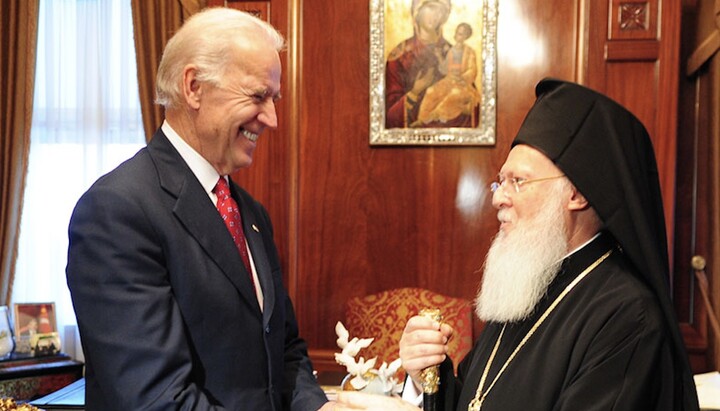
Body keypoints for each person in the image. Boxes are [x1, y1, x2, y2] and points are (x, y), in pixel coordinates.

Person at [333, 79, 700, 410]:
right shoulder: (529, 283)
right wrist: (427, 372)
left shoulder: (628, 318)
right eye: (500, 181)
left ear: (577, 194)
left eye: (518, 182)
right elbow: (474, 399)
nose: (498, 198)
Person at [66, 8, 334, 410]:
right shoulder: (117, 210)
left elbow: (285, 350)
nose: (273, 119)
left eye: (274, 99)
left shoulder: (252, 215)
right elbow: (158, 399)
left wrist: (320, 407)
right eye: (258, 96)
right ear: (193, 87)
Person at [385, 0, 457, 128]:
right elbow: (388, 116)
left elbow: (471, 106)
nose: (435, 16)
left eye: (439, 11)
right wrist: (414, 92)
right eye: (430, 9)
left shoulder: (454, 53)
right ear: (417, 13)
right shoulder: (400, 57)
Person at [414, 22, 480, 127]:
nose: (458, 35)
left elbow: (473, 70)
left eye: (461, 34)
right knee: (430, 91)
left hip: (463, 85)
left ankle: (434, 116)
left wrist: (462, 77)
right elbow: (444, 70)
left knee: (453, 94)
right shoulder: (451, 51)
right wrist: (439, 56)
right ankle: (422, 119)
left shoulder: (469, 52)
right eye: (457, 32)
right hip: (448, 81)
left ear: (466, 37)